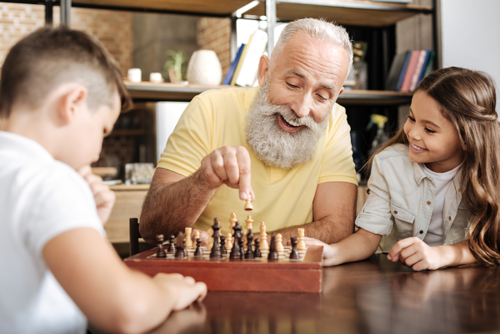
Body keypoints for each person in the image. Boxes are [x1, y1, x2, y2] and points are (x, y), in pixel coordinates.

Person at [0, 26, 206, 334]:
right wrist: (169, 289)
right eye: (103, 130)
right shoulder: (48, 180)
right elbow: (126, 312)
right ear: (73, 103)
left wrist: (86, 224)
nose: (97, 153)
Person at [140, 18, 358, 245]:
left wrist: (243, 247)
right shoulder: (209, 108)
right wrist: (203, 181)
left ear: (336, 97)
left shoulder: (335, 120)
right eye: (293, 84)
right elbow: (151, 227)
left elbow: (337, 226)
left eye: (322, 96)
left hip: (293, 275)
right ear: (265, 71)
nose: (302, 110)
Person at [306, 67, 500, 270]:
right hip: (402, 280)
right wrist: (334, 253)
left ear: (467, 139)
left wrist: (443, 255)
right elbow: (367, 236)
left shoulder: (492, 170)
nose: (413, 133)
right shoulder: (389, 164)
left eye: (429, 129)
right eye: (412, 118)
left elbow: (492, 242)